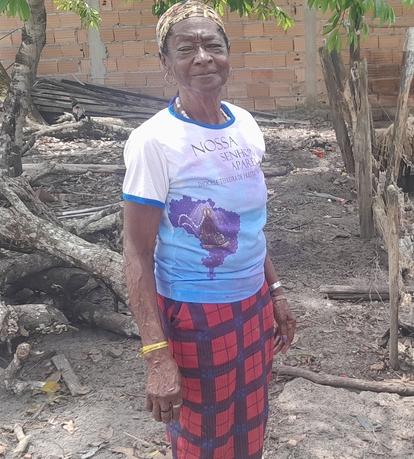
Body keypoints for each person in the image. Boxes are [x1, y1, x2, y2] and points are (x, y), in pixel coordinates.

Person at [120, 1, 297, 457]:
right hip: (194, 314)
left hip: (253, 305)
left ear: (227, 54)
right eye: (186, 49)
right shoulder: (154, 141)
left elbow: (247, 225)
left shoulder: (246, 126)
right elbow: (137, 251)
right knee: (202, 438)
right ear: (166, 63)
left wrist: (275, 292)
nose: (202, 57)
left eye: (213, 46)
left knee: (250, 423)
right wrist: (156, 355)